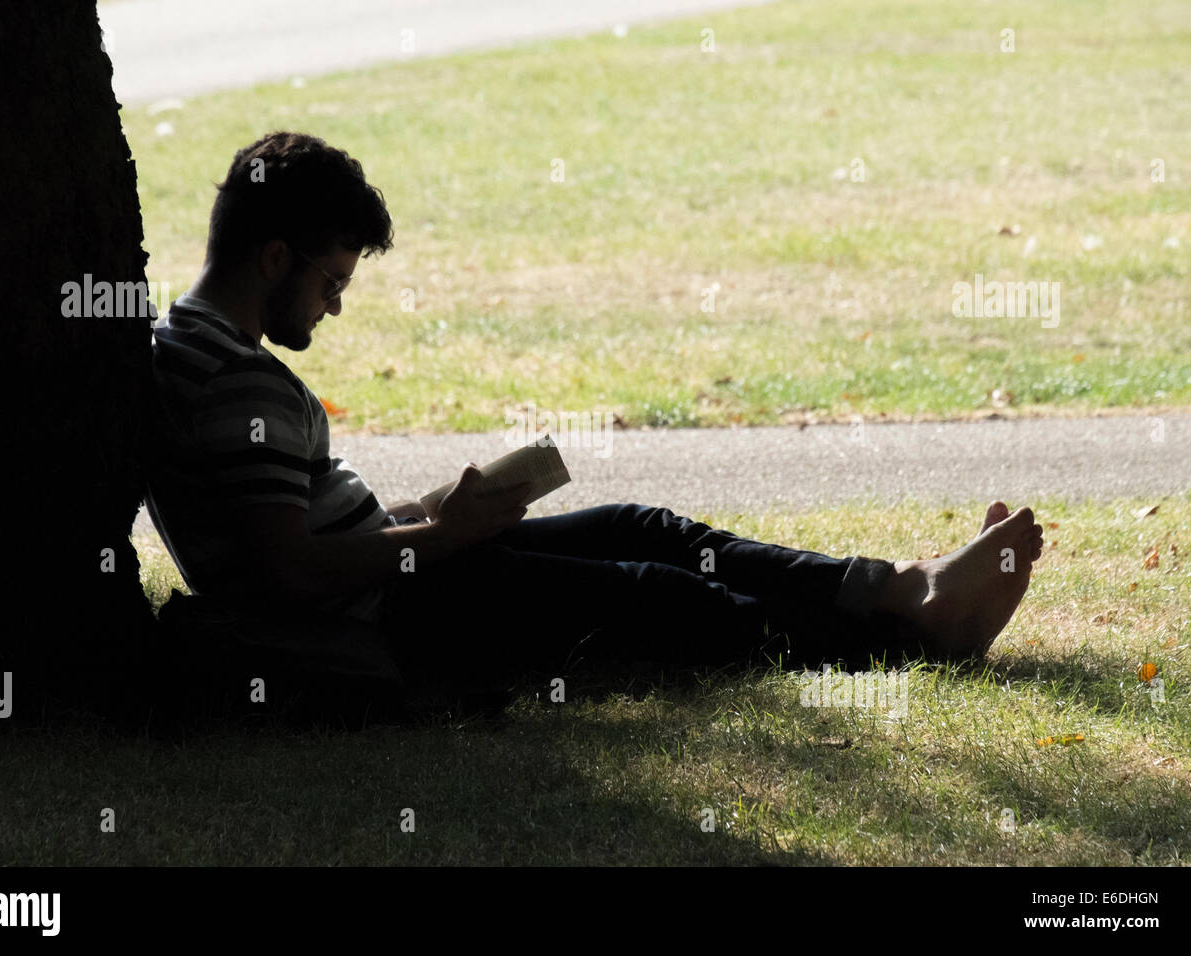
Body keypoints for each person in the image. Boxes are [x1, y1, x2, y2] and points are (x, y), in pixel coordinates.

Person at [145, 131, 1044, 714]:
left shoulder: (190, 344)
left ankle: (896, 586)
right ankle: (909, 636)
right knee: (654, 593)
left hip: (404, 569)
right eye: (331, 283)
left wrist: (437, 517)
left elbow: (293, 533)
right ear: (273, 257)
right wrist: (439, 538)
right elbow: (288, 570)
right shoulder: (240, 385)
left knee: (638, 527)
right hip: (403, 613)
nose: (335, 309)